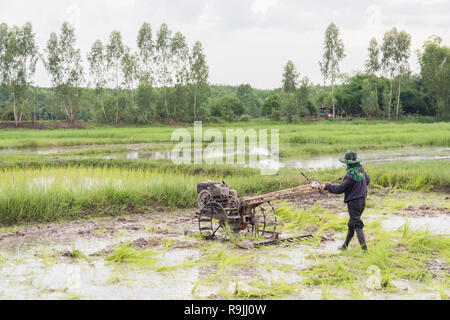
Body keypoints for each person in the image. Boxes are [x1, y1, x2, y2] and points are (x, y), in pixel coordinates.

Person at [320, 150, 370, 251]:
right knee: (352, 224)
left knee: (357, 225)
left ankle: (365, 250)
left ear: (349, 163)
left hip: (354, 203)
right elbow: (367, 180)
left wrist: (327, 186)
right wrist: (357, 187)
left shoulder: (350, 175)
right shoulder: (361, 170)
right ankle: (345, 246)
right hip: (362, 201)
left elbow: (340, 189)